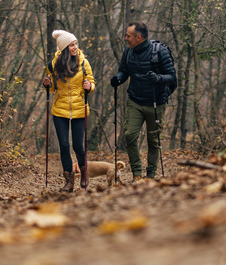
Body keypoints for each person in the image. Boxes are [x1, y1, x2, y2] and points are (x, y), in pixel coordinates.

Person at [110, 22, 177, 181]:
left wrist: (159, 78)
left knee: (153, 140)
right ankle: (137, 174)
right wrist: (118, 79)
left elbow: (172, 77)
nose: (125, 38)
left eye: (128, 36)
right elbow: (124, 71)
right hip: (135, 101)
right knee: (129, 135)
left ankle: (150, 175)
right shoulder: (128, 51)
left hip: (156, 102)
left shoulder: (160, 51)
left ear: (138, 37)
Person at [44, 29, 95, 192]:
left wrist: (89, 87)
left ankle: (84, 172)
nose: (75, 47)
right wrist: (46, 85)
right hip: (59, 110)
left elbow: (91, 83)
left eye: (75, 44)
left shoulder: (83, 63)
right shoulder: (53, 65)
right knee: (64, 145)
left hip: (80, 108)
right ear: (64, 48)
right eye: (71, 45)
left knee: (78, 147)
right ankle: (69, 182)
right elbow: (51, 88)